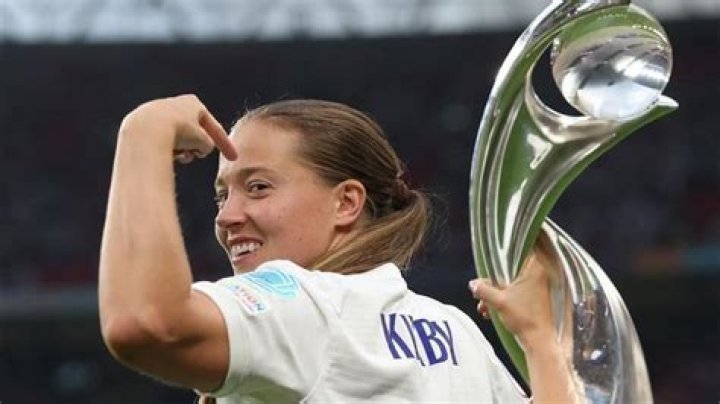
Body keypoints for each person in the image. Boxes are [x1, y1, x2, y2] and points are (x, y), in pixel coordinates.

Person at [99, 95, 580, 403]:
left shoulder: (304, 304)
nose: (227, 217)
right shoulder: (455, 333)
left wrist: (143, 131)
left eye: (259, 187)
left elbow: (145, 322)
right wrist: (542, 342)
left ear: (346, 202)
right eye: (222, 196)